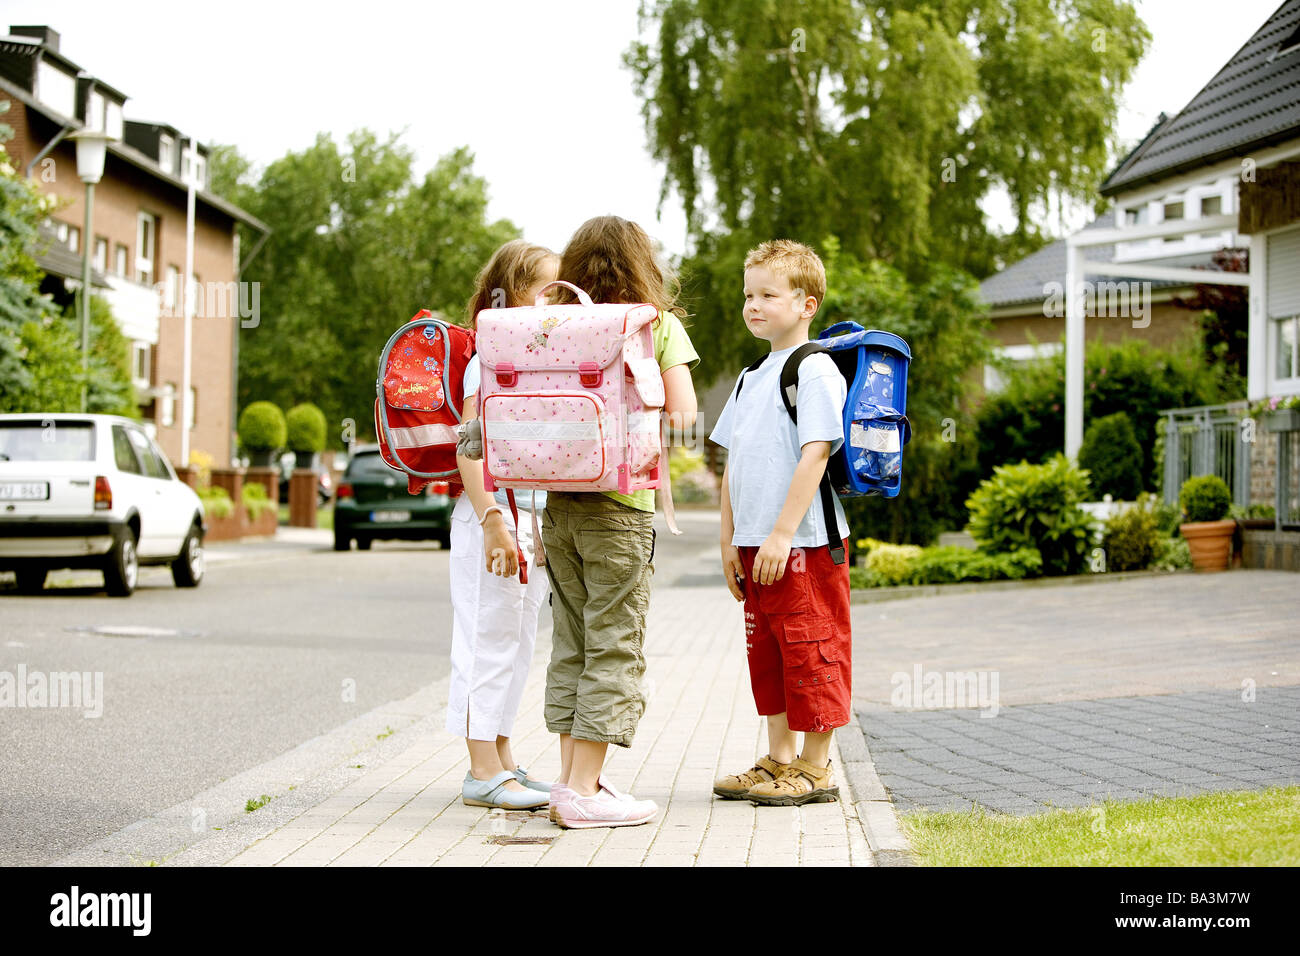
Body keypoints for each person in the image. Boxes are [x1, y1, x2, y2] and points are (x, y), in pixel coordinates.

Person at [543, 216, 699, 829]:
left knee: (572, 646)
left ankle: (572, 782)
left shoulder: (553, 324)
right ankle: (584, 790)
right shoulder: (656, 325)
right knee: (614, 645)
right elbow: (684, 417)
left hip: (557, 505)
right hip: (621, 508)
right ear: (644, 264)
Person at [709, 239, 852, 806]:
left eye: (769, 294)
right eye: (749, 294)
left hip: (805, 544)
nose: (754, 304)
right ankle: (779, 759)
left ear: (807, 303)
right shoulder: (750, 376)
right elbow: (731, 466)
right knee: (767, 652)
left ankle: (817, 768)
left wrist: (782, 534)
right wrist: (728, 542)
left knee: (812, 646)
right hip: (754, 546)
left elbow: (816, 452)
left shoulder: (813, 368)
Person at [449, 239, 559, 810]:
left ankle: (504, 759)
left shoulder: (536, 358)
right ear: (510, 293)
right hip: (492, 517)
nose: (555, 299)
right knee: (484, 641)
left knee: (517, 646)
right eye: (545, 287)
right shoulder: (486, 360)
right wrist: (493, 521)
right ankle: (479, 770)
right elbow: (470, 446)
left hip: (529, 520)